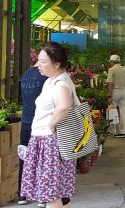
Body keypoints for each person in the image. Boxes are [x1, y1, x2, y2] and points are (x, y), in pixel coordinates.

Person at [21, 42, 76, 208]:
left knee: (50, 194)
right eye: (38, 60)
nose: (39, 65)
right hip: (44, 140)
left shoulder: (61, 83)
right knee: (58, 194)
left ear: (57, 64)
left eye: (43, 61)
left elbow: (64, 106)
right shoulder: (50, 81)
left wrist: (52, 124)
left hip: (50, 142)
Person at [17, 52, 48, 206]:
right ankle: (42, 197)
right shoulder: (46, 77)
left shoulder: (26, 73)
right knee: (43, 158)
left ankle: (22, 195)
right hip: (42, 123)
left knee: (25, 157)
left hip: (26, 121)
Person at [107, 54, 125, 138]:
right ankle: (123, 131)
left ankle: (112, 130)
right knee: (123, 112)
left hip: (115, 92)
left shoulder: (111, 70)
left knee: (112, 110)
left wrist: (109, 96)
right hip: (124, 92)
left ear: (112, 62)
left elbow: (110, 84)